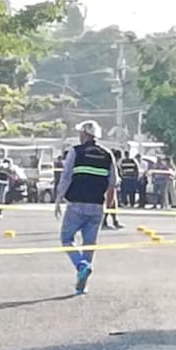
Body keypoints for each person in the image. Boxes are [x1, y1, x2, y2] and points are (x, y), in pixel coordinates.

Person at [55, 120, 117, 294]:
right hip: (97, 205)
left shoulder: (75, 152)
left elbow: (66, 177)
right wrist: (109, 207)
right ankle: (82, 283)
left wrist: (59, 199)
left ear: (85, 134)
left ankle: (81, 265)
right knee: (89, 245)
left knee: (66, 239)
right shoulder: (107, 154)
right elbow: (112, 183)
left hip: (76, 203)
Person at [103, 150, 124, 230]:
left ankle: (115, 221)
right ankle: (104, 221)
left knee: (113, 204)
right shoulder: (111, 164)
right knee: (109, 203)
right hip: (110, 186)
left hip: (113, 186)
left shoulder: (113, 165)